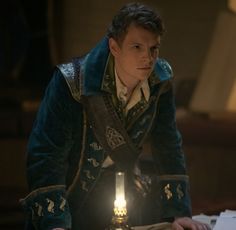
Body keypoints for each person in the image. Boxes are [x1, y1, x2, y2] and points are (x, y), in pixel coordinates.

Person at [21, 2, 211, 230]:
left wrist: (179, 213)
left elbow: (168, 144)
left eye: (154, 48)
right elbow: (46, 154)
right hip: (70, 200)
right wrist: (55, 223)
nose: (148, 58)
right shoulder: (71, 83)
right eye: (137, 47)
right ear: (114, 47)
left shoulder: (160, 81)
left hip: (124, 196)